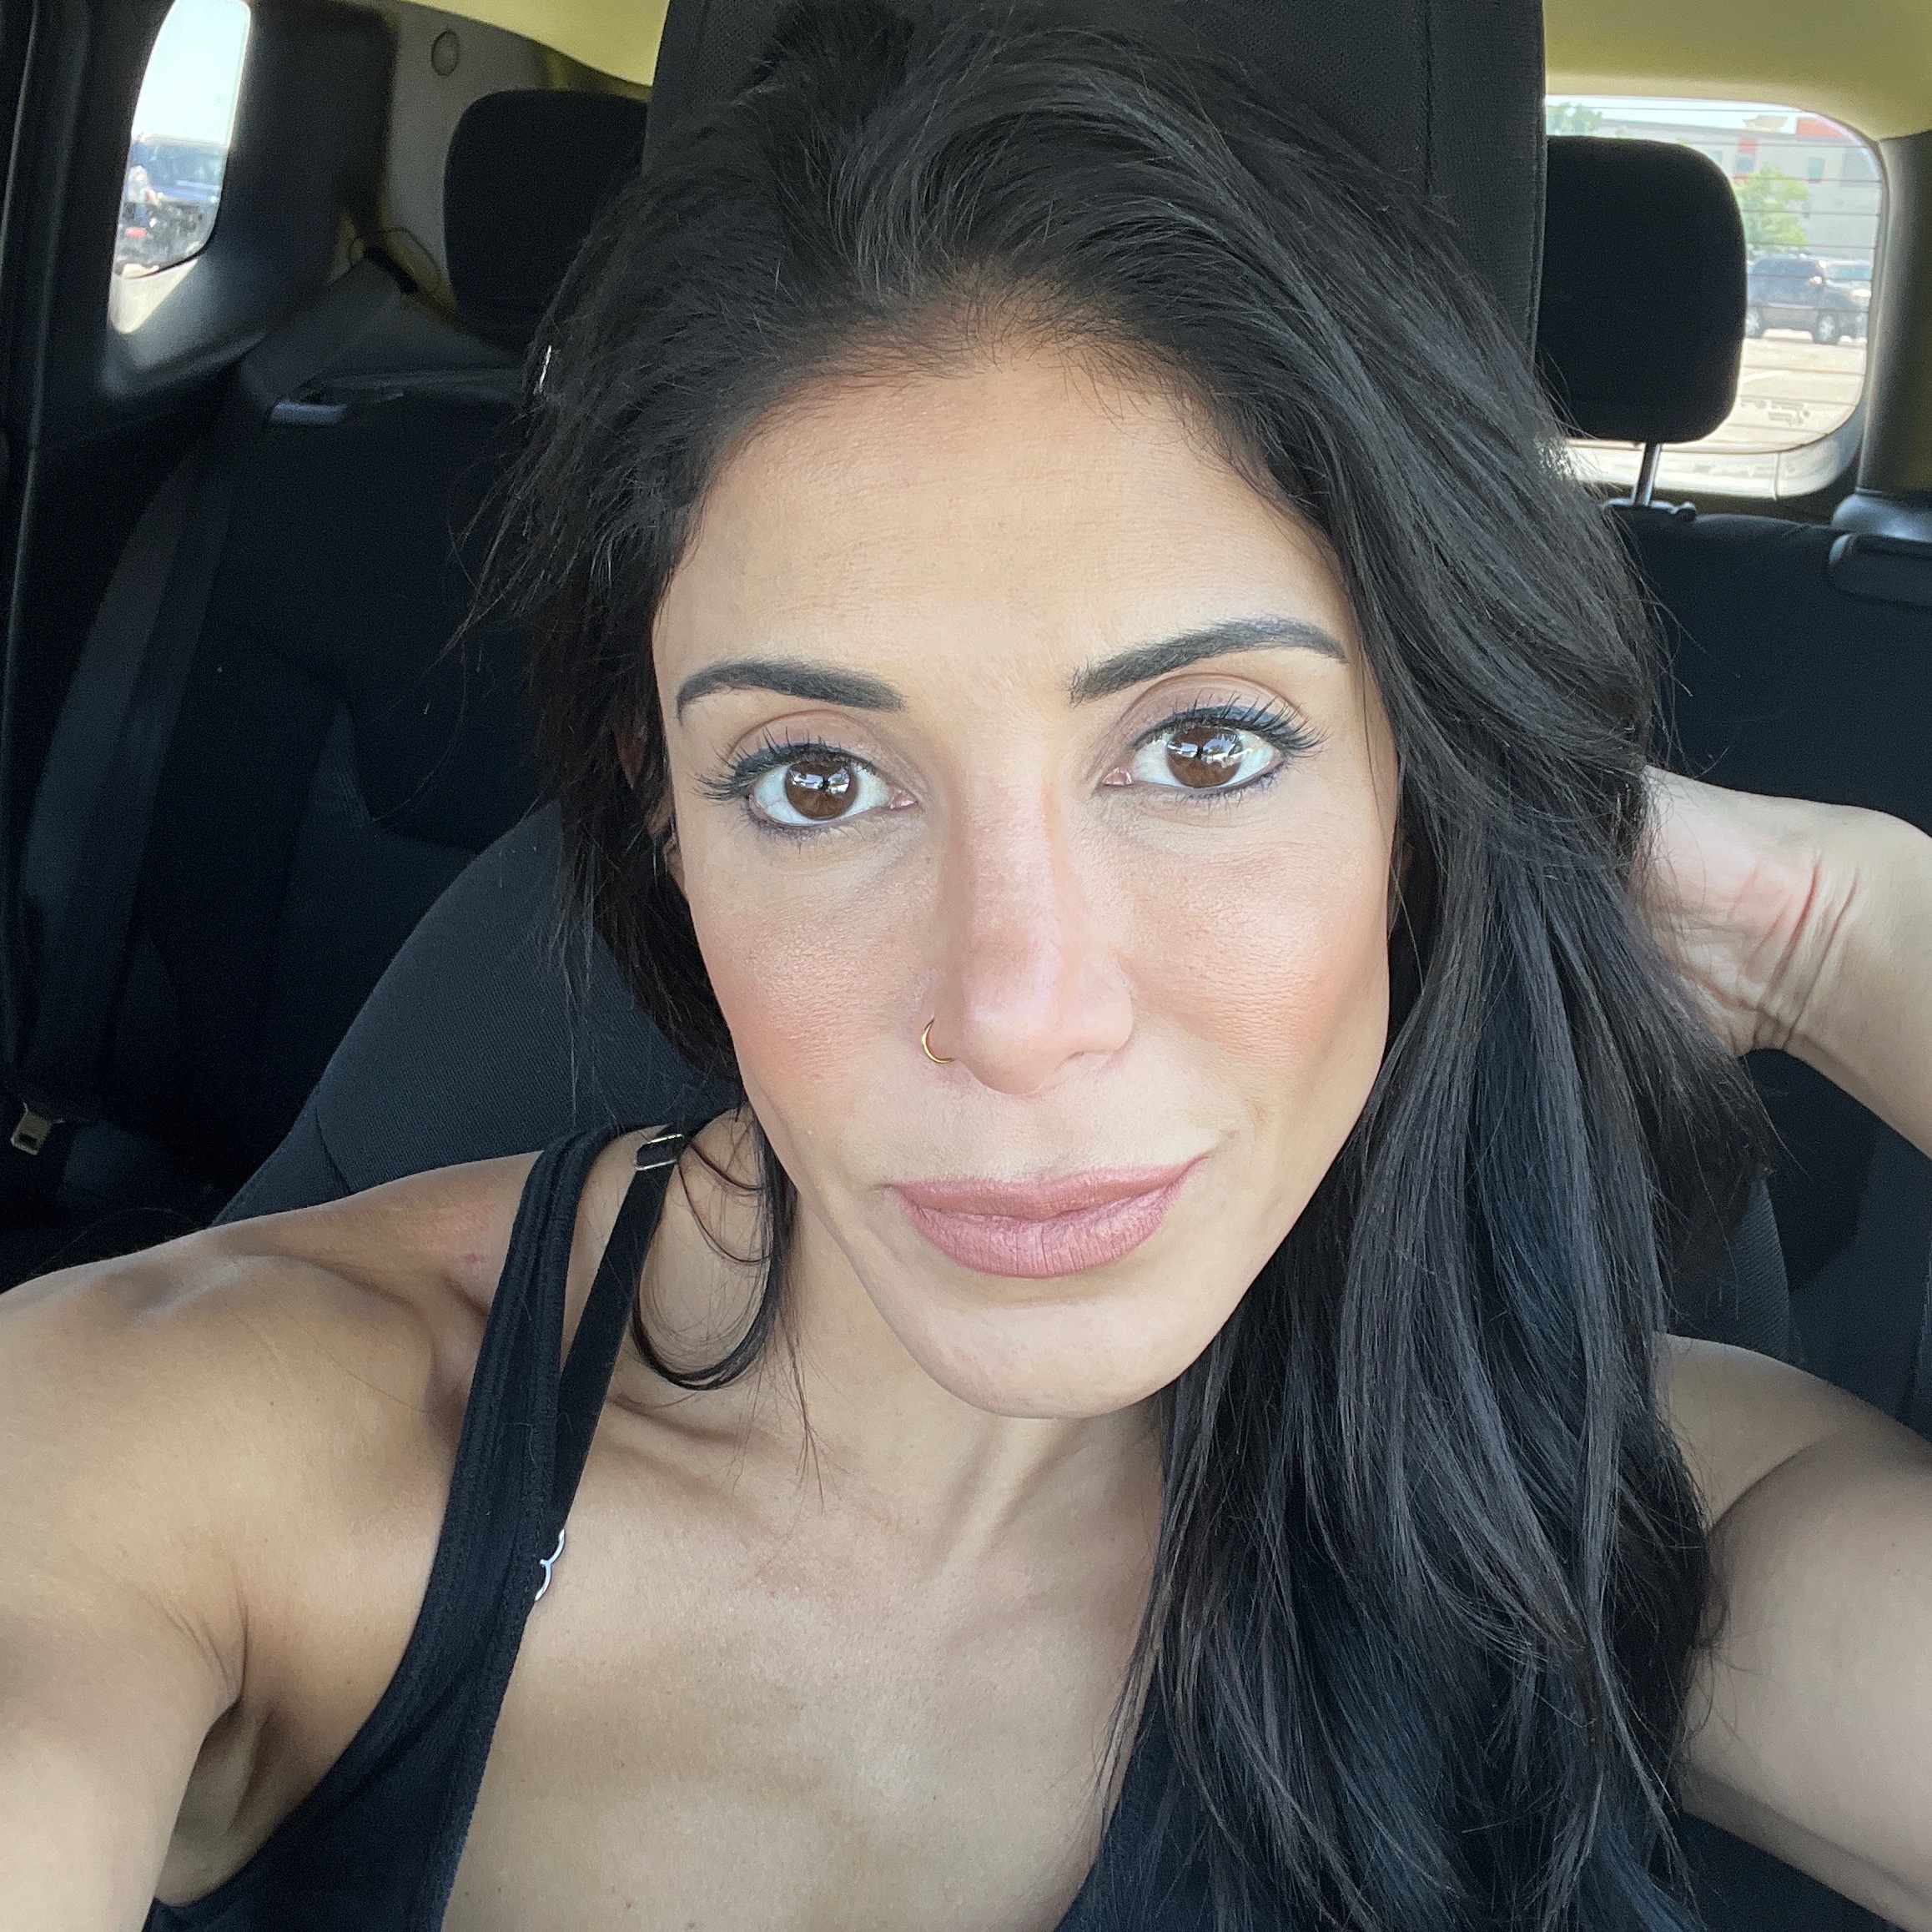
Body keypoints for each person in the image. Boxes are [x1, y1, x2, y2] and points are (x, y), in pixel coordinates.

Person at [4, 4, 1929, 1928]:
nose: (1016, 1016)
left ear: (1422, 787)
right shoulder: (179, 1461)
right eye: (817, 780)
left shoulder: (1594, 1513)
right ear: (664, 813)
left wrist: (1815, 926)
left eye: (1207, 748)